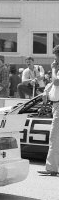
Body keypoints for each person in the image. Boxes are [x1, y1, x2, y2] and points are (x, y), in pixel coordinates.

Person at [38, 45, 59, 176]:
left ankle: (51, 168)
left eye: (56, 56)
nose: (55, 59)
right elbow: (52, 84)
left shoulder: (56, 69)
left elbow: (56, 81)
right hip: (55, 105)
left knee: (54, 137)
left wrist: (52, 69)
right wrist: (46, 91)